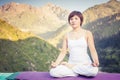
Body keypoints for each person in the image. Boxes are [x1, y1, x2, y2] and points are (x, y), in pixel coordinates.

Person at [49, 11, 99, 78]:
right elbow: (63, 52)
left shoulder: (87, 33)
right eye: (71, 19)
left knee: (93, 71)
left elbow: (92, 49)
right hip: (71, 63)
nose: (73, 21)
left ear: (80, 21)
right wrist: (56, 63)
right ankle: (78, 71)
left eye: (76, 18)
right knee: (53, 72)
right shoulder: (66, 35)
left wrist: (96, 61)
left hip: (85, 64)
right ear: (69, 21)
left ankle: (74, 69)